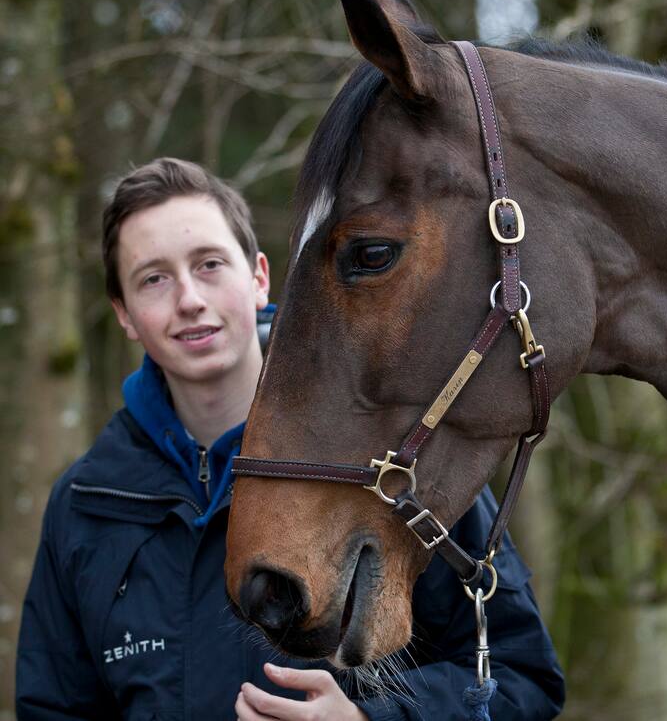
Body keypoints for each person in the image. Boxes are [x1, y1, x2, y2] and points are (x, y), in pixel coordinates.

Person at [15, 158, 564, 720]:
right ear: (124, 314)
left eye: (208, 264)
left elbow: (519, 678)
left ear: (258, 276)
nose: (188, 299)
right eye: (153, 278)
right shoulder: (87, 501)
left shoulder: (389, 456)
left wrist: (367, 719)